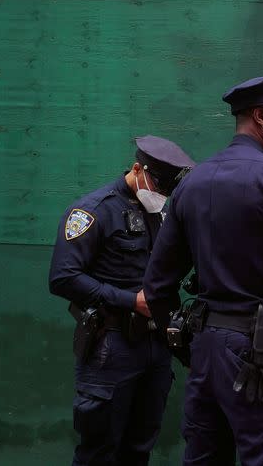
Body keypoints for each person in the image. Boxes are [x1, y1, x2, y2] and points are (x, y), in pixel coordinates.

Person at [141, 73, 263, 466]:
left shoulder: (192, 182)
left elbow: (157, 286)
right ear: (262, 117)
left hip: (207, 348)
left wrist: (187, 346)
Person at [48, 135, 196, 466]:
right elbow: (63, 277)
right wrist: (131, 301)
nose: (161, 194)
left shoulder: (160, 213)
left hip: (155, 346)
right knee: (99, 451)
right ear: (137, 169)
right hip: (110, 346)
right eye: (158, 185)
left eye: (167, 190)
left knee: (139, 447)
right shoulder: (92, 211)